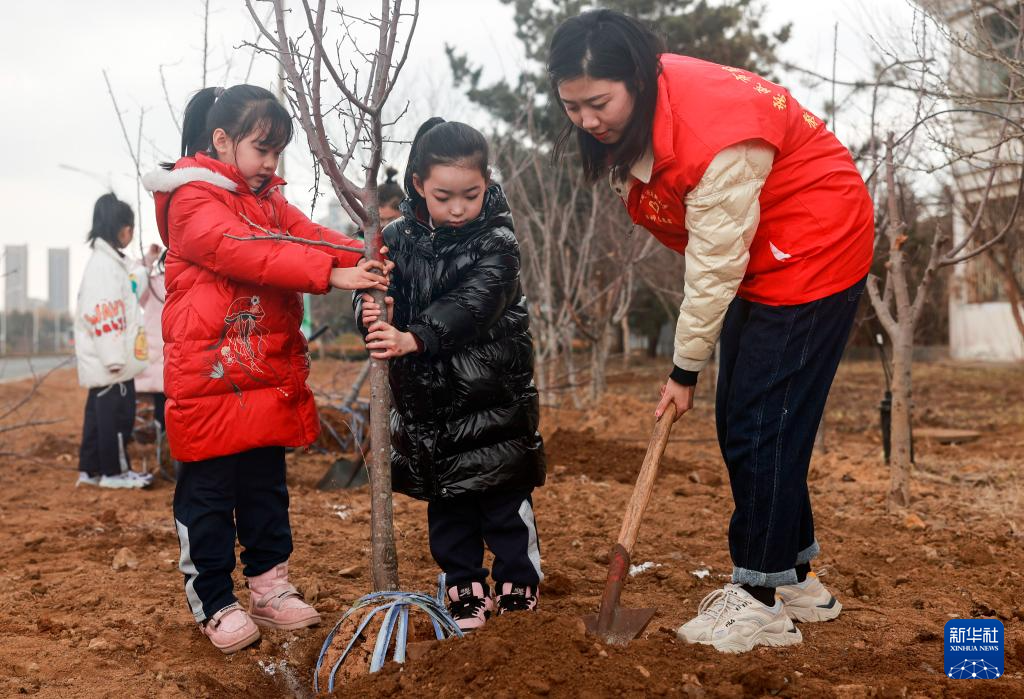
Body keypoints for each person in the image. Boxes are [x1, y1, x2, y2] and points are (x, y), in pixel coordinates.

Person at [548, 10, 873, 653]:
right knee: (749, 421)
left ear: (637, 81)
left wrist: (683, 369)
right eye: (571, 105)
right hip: (764, 251)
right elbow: (713, 246)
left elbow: (714, 261)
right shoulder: (647, 117)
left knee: (762, 425)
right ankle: (798, 580)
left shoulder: (712, 134)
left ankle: (759, 601)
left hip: (813, 246)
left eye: (598, 103)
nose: (586, 120)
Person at [142, 84, 391, 654]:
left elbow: (302, 235)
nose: (271, 164)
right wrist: (331, 275)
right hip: (210, 378)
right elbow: (247, 249)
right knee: (206, 494)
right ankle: (214, 600)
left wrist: (361, 255)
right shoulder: (191, 202)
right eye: (262, 149)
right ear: (222, 140)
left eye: (278, 152)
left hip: (261, 371)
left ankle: (269, 588)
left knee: (264, 486)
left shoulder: (268, 199)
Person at [357, 117, 546, 632]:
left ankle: (518, 581)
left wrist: (414, 337)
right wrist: (372, 316)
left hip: (492, 397)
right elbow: (369, 291)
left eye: (472, 194)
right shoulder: (393, 239)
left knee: (504, 501)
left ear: (487, 183)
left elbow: (477, 302)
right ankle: (463, 584)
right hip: (427, 407)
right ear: (418, 185)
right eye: (445, 196)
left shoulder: (497, 241)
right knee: (448, 507)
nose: (460, 208)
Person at [74, 193, 153, 490]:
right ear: (119, 228)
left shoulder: (109, 262)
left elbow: (129, 289)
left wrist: (148, 266)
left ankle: (91, 469)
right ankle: (114, 472)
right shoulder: (104, 267)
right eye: (128, 226)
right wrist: (114, 359)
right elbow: (104, 314)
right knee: (117, 418)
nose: (130, 233)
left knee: (97, 416)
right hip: (113, 361)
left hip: (109, 359)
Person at [135, 244, 167, 445]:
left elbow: (133, 284)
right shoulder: (154, 283)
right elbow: (132, 283)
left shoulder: (152, 284)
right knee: (166, 412)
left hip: (157, 360)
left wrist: (148, 260)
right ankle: (163, 447)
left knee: (158, 410)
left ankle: (160, 446)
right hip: (164, 359)